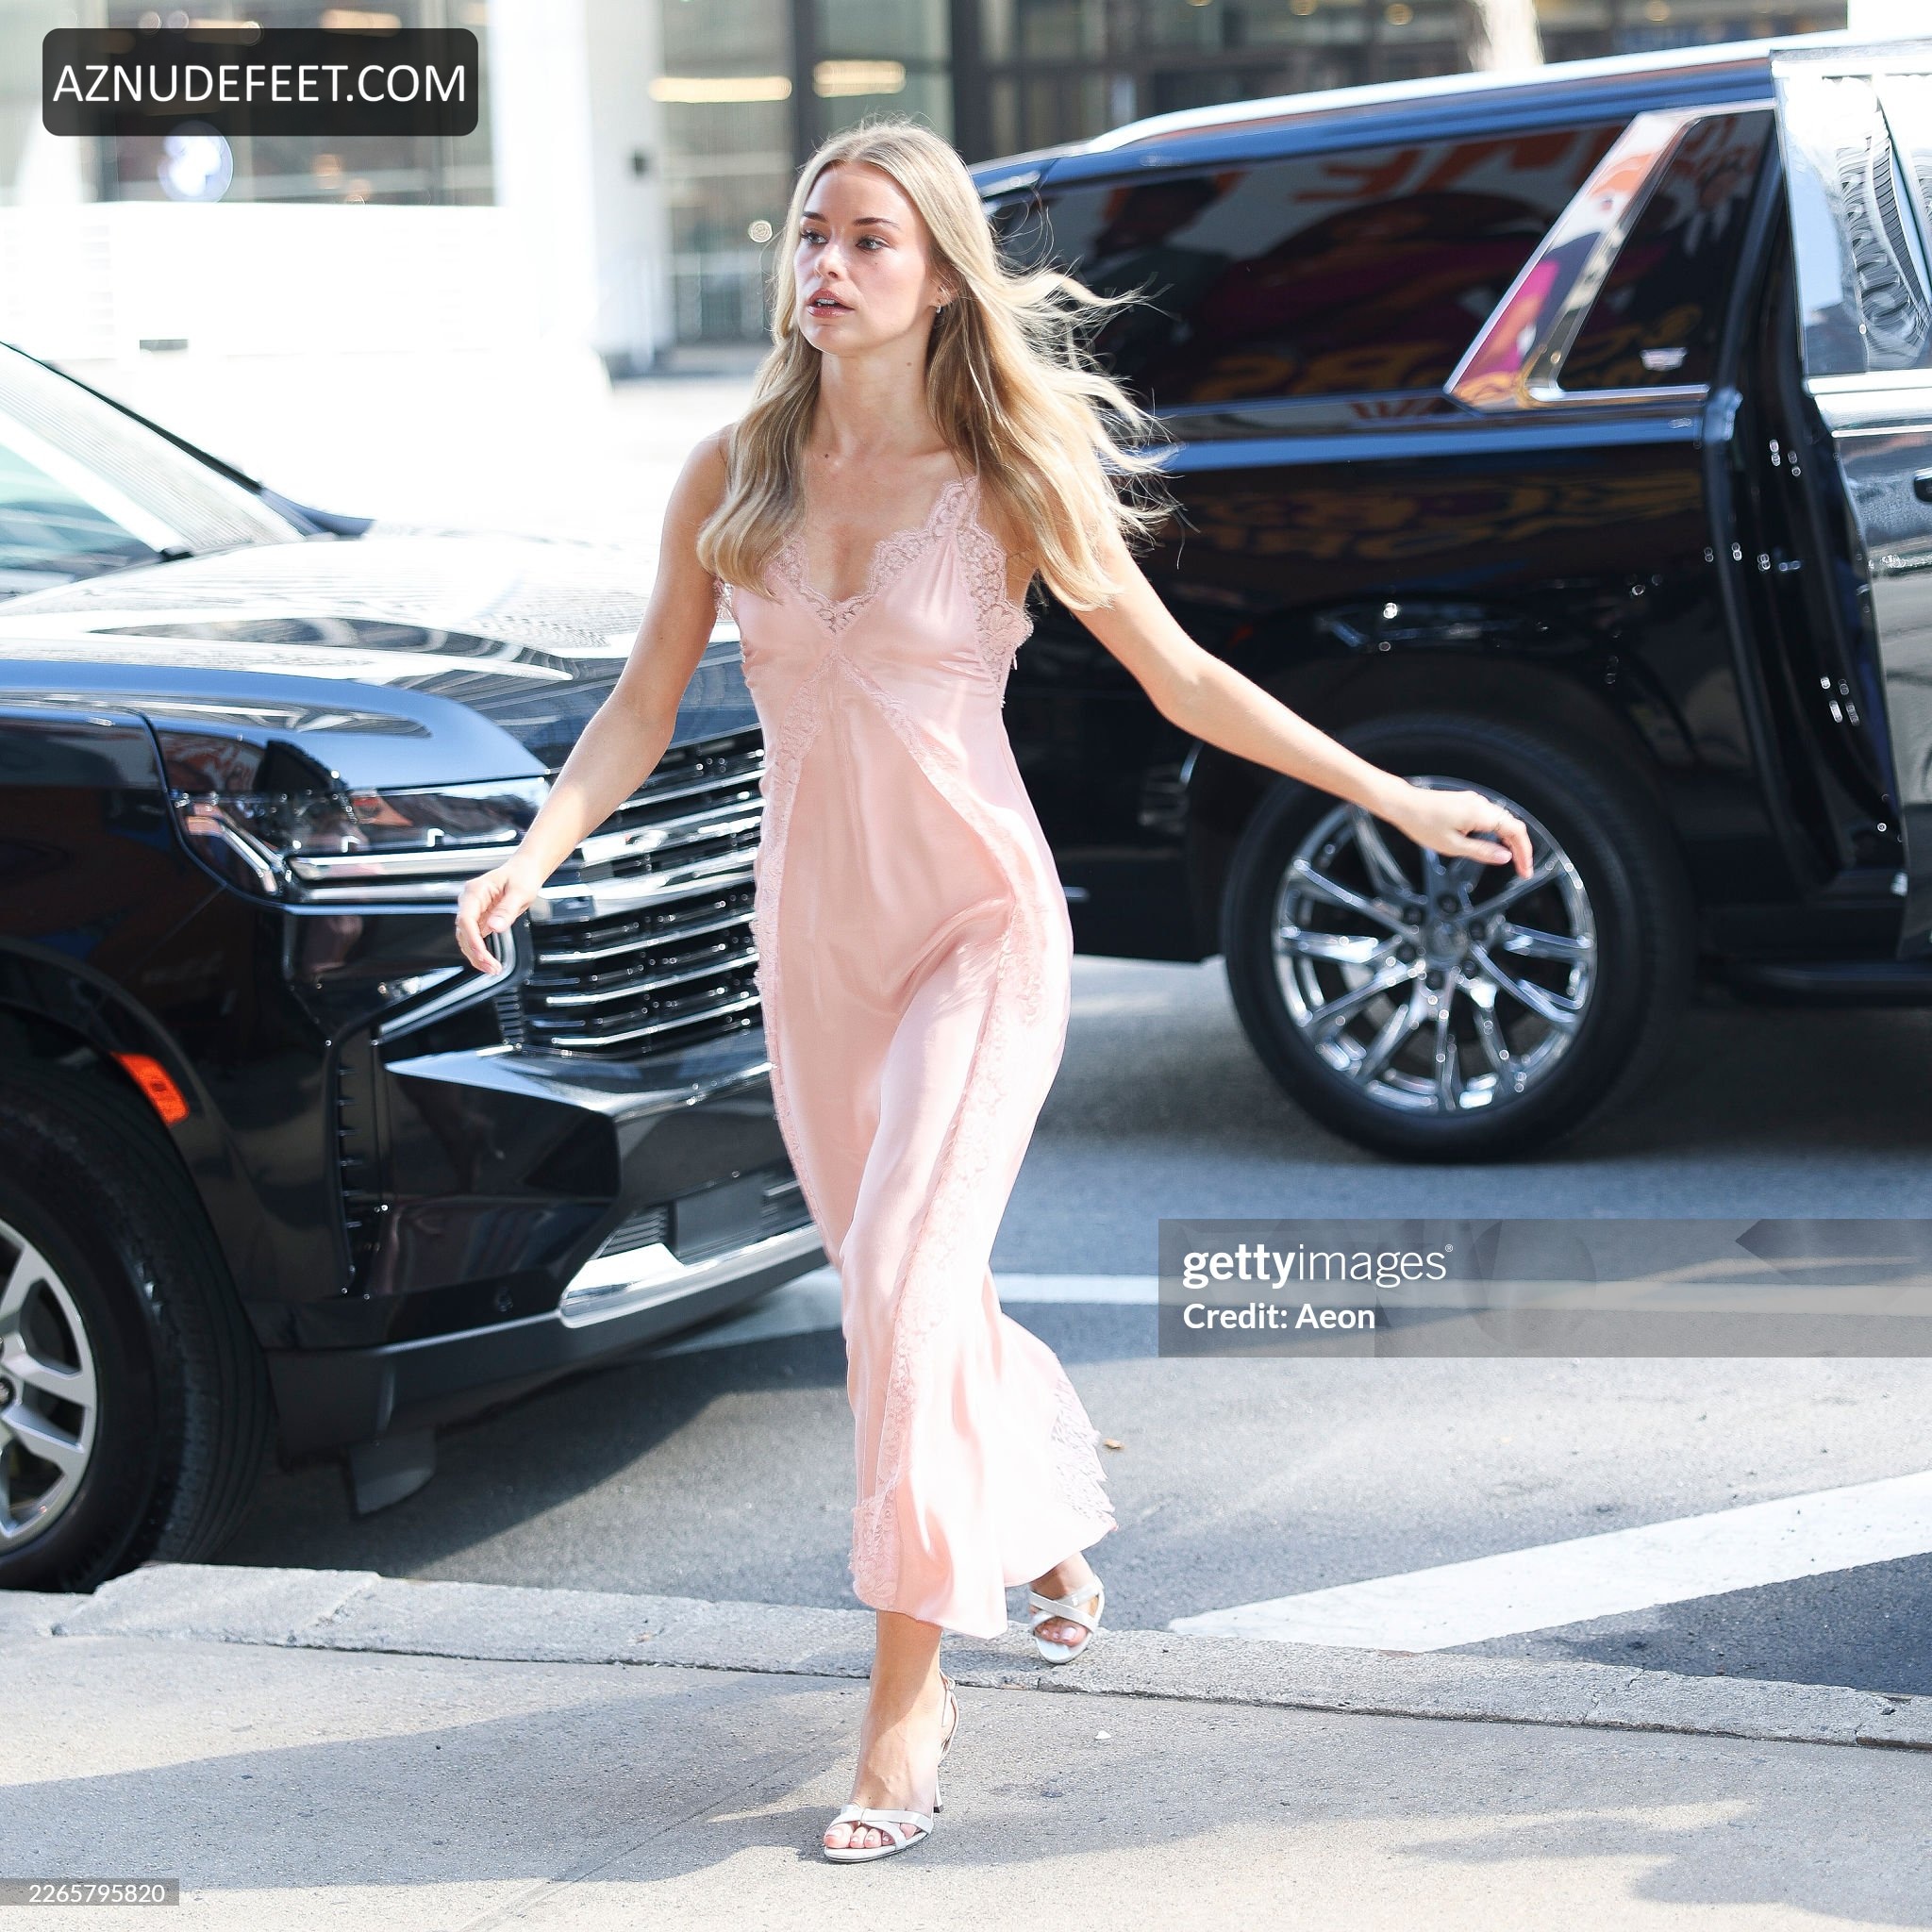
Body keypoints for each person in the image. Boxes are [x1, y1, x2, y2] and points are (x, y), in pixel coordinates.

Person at [453, 116, 1532, 1864]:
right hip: (814, 944)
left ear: (943, 275)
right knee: (914, 1286)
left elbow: (1182, 680)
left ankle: (906, 1701)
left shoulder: (1008, 470)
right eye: (812, 232)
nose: (826, 265)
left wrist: (1393, 798)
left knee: (897, 1280)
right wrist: (535, 852)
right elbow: (642, 703)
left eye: (869, 239)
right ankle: (1034, 1517)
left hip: (976, 926)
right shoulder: (732, 470)